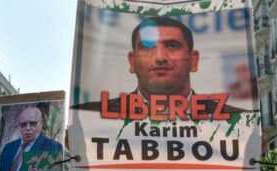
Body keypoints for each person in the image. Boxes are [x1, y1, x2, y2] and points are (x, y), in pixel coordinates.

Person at [71, 16, 245, 119]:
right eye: (147, 47)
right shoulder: (90, 116)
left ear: (194, 60)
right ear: (132, 62)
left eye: (172, 45)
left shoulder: (238, 119)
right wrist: (82, 164)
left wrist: (247, 164)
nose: (160, 57)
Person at [0, 106, 63, 171]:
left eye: (32, 123)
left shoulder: (51, 147)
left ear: (41, 123)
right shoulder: (9, 147)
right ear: (19, 126)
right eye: (23, 124)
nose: (27, 128)